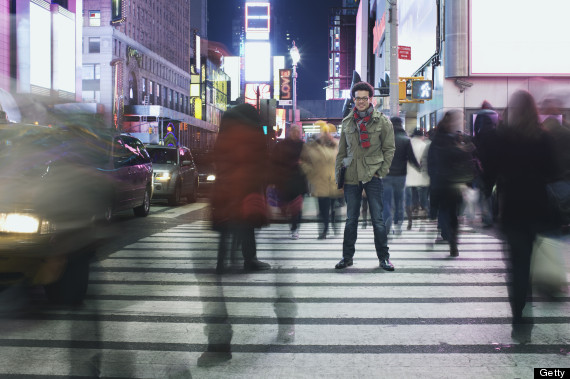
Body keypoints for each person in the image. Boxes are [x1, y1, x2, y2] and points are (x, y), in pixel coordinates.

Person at [495, 91, 558, 342]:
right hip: (536, 207)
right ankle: (527, 311)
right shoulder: (543, 137)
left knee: (516, 266)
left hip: (511, 208)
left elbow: (492, 169)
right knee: (529, 262)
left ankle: (519, 320)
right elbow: (552, 171)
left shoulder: (503, 138)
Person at [334, 81, 396, 270]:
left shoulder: (382, 121)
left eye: (364, 98)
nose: (360, 102)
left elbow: (389, 149)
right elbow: (341, 153)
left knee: (377, 218)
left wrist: (381, 172)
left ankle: (384, 258)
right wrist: (339, 177)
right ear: (354, 99)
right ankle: (347, 257)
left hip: (373, 175)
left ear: (371, 99)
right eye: (357, 98)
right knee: (351, 219)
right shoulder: (347, 122)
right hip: (352, 175)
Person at [210, 104, 271, 273]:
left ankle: (221, 263)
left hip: (225, 187)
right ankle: (249, 260)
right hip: (247, 186)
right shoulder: (253, 131)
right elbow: (261, 159)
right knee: (247, 225)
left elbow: (217, 156)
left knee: (225, 224)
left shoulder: (226, 130)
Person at [427, 109, 476, 257]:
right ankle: (452, 240)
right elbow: (462, 160)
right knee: (453, 213)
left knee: (445, 210)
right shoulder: (453, 140)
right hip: (452, 182)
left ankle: (446, 235)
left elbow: (431, 162)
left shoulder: (437, 139)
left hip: (441, 182)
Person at [300, 124, 344, 239]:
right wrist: (312, 174)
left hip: (334, 183)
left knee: (335, 208)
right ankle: (324, 230)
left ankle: (335, 224)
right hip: (320, 184)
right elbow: (303, 162)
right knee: (323, 210)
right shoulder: (312, 148)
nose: (325, 135)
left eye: (328, 133)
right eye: (323, 133)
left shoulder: (337, 146)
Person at [383, 116, 420, 235]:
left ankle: (387, 220)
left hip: (386, 175)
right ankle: (398, 224)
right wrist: (419, 168)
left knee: (386, 201)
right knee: (399, 200)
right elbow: (411, 158)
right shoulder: (405, 140)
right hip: (400, 175)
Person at [271, 125, 307, 239]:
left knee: (298, 206)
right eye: (294, 131)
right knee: (286, 205)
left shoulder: (303, 146)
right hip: (285, 180)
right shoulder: (281, 145)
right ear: (290, 132)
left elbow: (310, 161)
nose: (296, 134)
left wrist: (304, 165)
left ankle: (295, 228)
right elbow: (275, 162)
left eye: (298, 132)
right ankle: (293, 225)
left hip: (299, 180)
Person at [473, 101, 500, 227]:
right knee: (493, 192)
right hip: (495, 166)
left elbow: (477, 149)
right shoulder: (496, 132)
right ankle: (494, 214)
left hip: (482, 167)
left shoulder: (480, 133)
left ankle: (487, 217)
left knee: (484, 193)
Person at [405, 129, 430, 230]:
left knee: (412, 194)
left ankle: (413, 211)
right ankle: (424, 212)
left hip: (409, 174)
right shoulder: (424, 145)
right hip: (421, 174)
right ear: (421, 136)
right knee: (423, 195)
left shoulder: (408, 144)